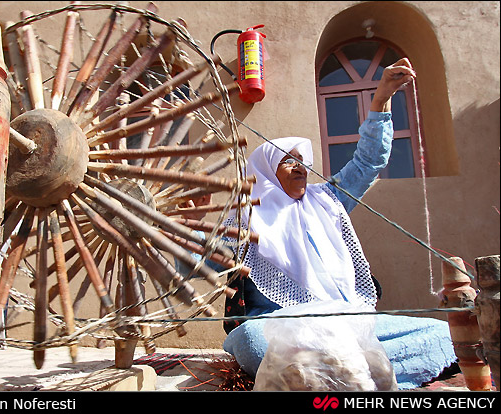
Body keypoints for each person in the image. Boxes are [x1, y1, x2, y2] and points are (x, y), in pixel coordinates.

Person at [183, 58, 457, 390]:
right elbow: (197, 264)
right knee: (252, 341)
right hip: (282, 332)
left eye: (302, 161)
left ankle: (330, 371)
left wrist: (382, 98)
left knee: (443, 335)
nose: (300, 167)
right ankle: (351, 369)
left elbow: (368, 162)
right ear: (267, 171)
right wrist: (191, 224)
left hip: (345, 324)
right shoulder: (247, 219)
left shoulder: (328, 200)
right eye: (288, 161)